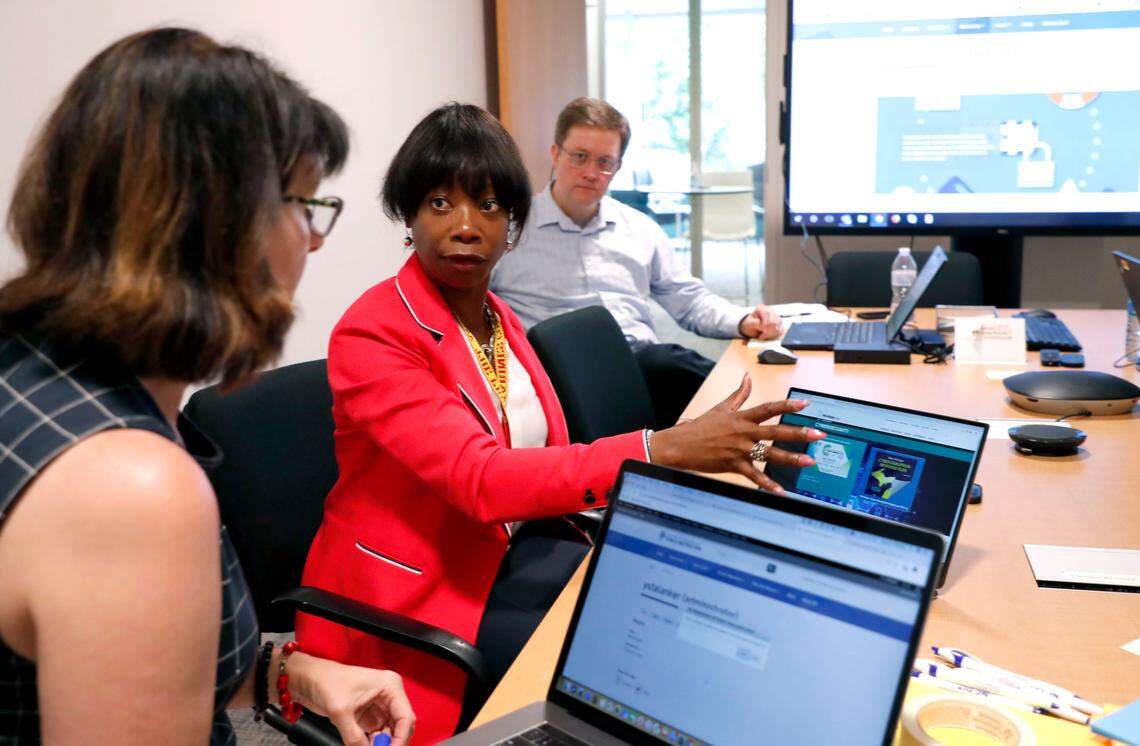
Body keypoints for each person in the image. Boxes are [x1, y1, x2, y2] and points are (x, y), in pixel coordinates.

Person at [297, 102, 825, 743]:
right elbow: (481, 480)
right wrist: (662, 449)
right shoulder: (374, 331)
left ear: (513, 225)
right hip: (421, 594)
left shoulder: (497, 317)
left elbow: (546, 453)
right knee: (626, 670)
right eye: (441, 204)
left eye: (489, 207)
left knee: (676, 607)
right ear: (408, 216)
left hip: (514, 548)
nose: (466, 226)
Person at [0, 29, 413, 746]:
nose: (312, 241)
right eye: (303, 205)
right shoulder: (130, 488)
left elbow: (120, 652)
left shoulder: (31, 369)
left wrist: (292, 670)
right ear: (217, 225)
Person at [491, 97, 783, 430]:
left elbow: (689, 301)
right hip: (556, 378)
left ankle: (767, 414)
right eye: (579, 157)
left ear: (617, 167)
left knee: (680, 375)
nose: (590, 173)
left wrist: (744, 320)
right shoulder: (508, 231)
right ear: (555, 154)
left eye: (604, 162)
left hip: (639, 369)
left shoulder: (639, 229)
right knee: (667, 367)